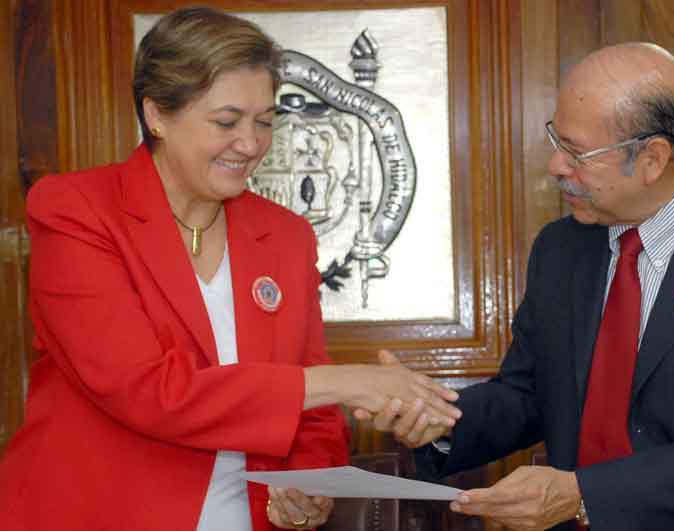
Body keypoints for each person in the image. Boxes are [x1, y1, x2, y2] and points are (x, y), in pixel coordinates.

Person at [0, 7, 460, 531]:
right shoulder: (76, 211)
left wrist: (307, 482)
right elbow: (149, 392)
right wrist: (346, 382)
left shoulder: (286, 236)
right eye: (226, 121)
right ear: (156, 115)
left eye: (265, 121)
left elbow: (315, 417)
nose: (250, 144)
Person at [371, 42, 674, 530]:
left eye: (576, 152)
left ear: (652, 158)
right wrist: (440, 421)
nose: (555, 166)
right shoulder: (562, 249)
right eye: (556, 139)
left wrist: (583, 495)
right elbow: (528, 393)